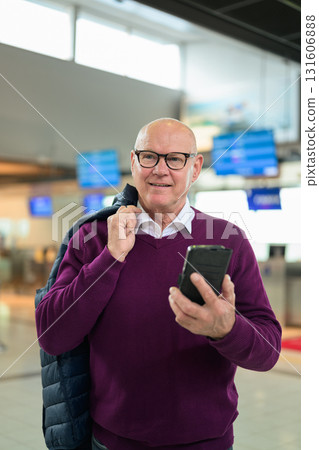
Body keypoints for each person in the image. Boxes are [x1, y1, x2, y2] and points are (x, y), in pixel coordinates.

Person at [36, 118, 281, 450]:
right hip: (112, 440)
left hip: (205, 441)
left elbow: (267, 352)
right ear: (134, 162)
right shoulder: (91, 237)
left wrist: (227, 329)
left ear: (195, 168)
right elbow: (52, 335)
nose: (160, 170)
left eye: (175, 159)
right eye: (149, 156)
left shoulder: (229, 240)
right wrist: (110, 257)